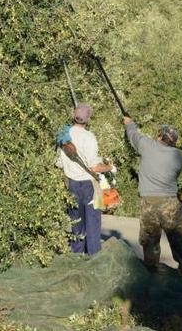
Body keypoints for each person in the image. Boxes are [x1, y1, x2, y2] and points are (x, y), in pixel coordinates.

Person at [123, 116, 182, 273]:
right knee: (179, 240)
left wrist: (129, 123)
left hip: (149, 202)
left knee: (150, 241)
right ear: (173, 142)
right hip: (170, 203)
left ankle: (151, 272)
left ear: (160, 136)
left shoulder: (148, 146)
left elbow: (133, 135)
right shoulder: (179, 156)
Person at [56, 104, 114, 255]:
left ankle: (76, 256)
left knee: (76, 223)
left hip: (71, 184)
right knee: (93, 223)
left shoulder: (63, 134)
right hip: (89, 186)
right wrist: (109, 167)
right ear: (87, 120)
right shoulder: (89, 137)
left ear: (73, 116)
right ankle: (94, 257)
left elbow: (58, 162)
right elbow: (94, 167)